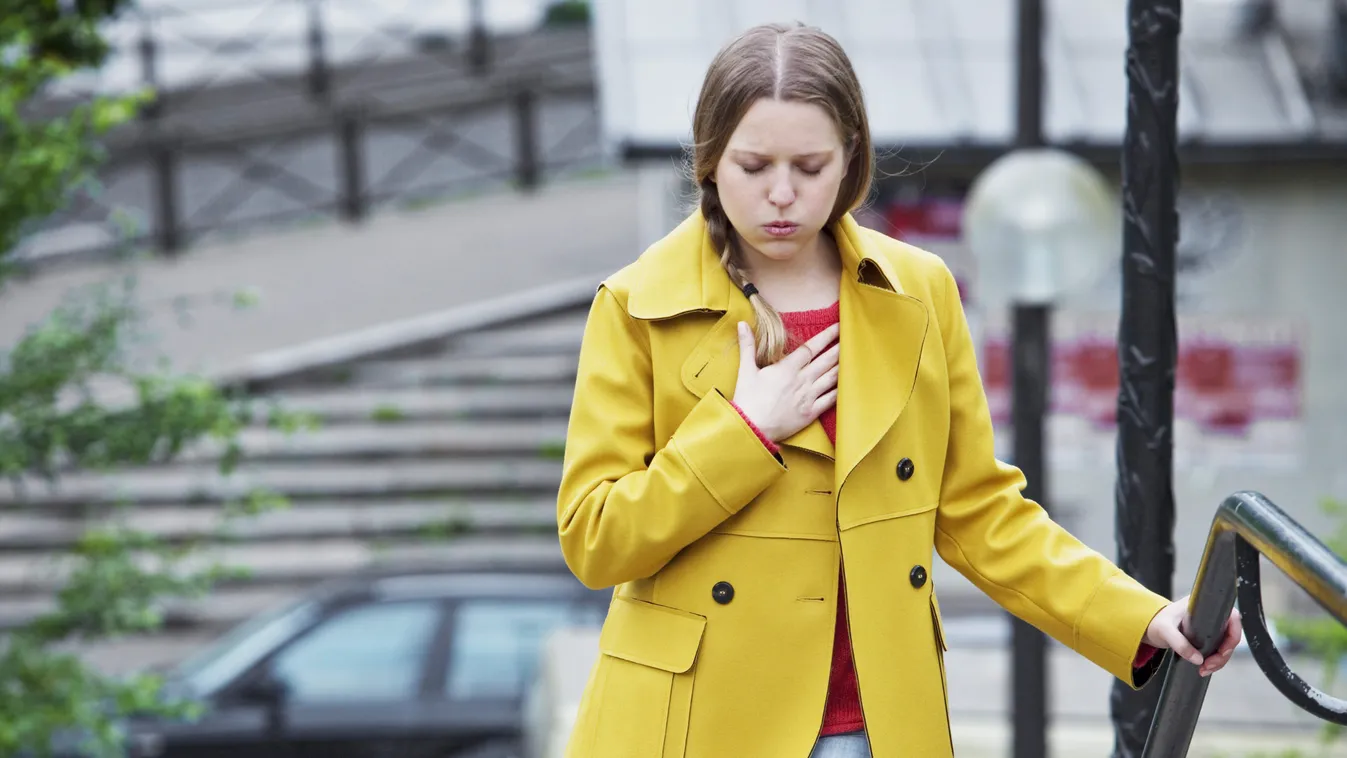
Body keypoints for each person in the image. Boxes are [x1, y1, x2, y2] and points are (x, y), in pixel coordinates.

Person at [555, 21, 1242, 758]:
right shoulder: (637, 305)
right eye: (753, 166)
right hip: (695, 725)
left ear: (850, 159)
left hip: (872, 725)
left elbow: (980, 512)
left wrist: (1135, 618)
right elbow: (595, 539)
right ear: (709, 161)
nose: (781, 195)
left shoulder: (916, 292)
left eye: (810, 166)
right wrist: (741, 433)